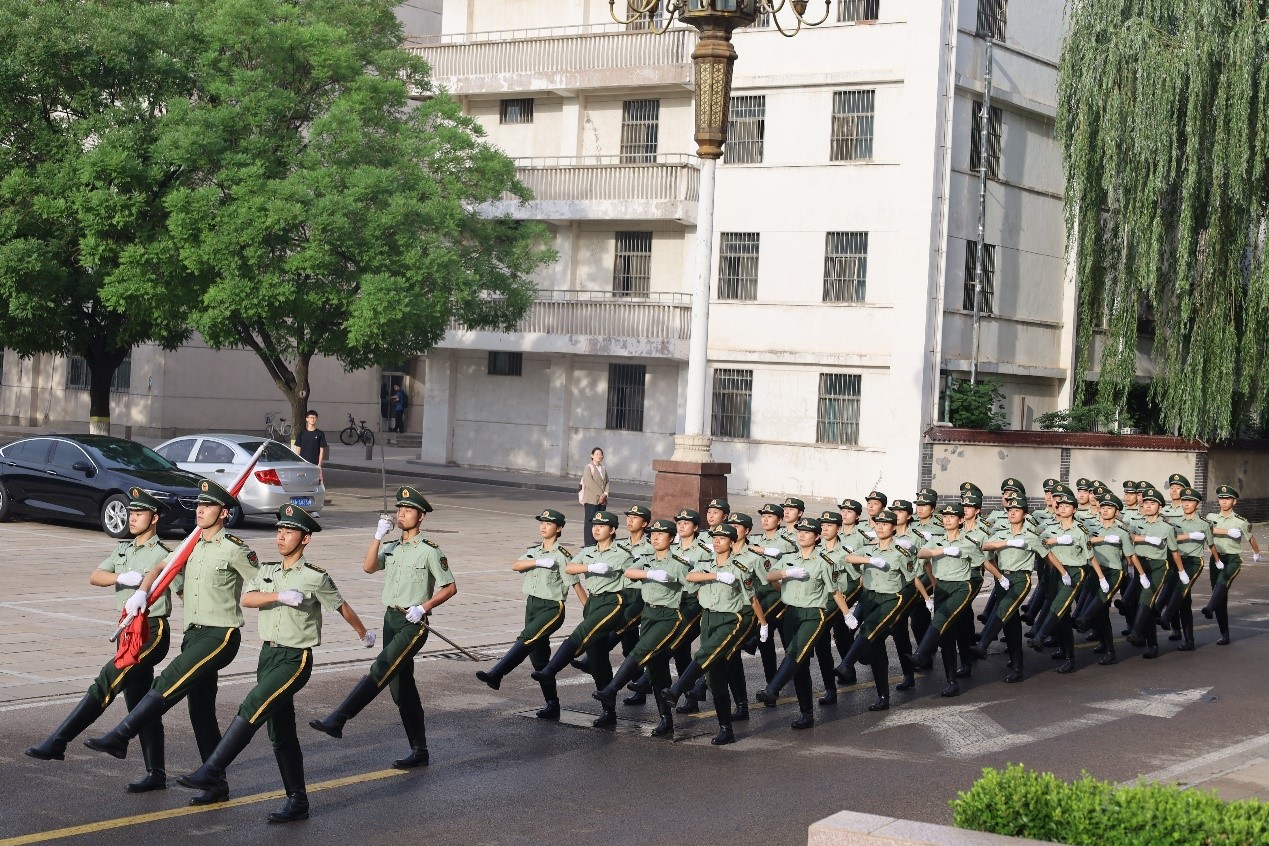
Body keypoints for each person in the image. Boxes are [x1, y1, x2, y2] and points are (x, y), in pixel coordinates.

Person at [176, 505, 373, 824]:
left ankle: (211, 771)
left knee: (253, 703)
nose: (281, 537)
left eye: (289, 532)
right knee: (280, 730)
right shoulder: (268, 571)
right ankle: (298, 800)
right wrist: (279, 596)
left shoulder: (315, 576)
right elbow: (248, 599)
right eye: (279, 530)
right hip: (267, 656)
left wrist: (363, 633)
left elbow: (341, 606)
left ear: (305, 539)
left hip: (295, 659)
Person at [85, 479, 260, 807]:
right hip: (193, 634)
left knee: (169, 680)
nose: (200, 510)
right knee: (200, 710)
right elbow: (161, 568)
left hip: (221, 634)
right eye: (199, 505)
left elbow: (260, 581)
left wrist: (274, 599)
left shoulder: (235, 548)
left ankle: (121, 735)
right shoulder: (189, 545)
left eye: (207, 506)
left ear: (224, 513)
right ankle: (215, 782)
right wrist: (142, 592)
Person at [26, 489, 179, 793]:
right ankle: (156, 773)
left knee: (105, 681)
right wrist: (120, 578)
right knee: (140, 704)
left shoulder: (165, 554)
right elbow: (96, 576)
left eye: (139, 514)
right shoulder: (123, 549)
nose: (132, 518)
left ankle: (58, 742)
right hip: (126, 630)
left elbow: (185, 588)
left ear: (154, 518)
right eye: (131, 513)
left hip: (151, 629)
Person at [309, 486, 457, 769]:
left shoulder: (430, 551)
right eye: (400, 509)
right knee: (401, 689)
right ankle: (420, 751)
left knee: (382, 667)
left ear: (421, 517)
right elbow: (368, 567)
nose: (401, 513)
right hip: (391, 619)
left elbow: (450, 587)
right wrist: (377, 535)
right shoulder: (393, 547)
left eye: (408, 510)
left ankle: (339, 719)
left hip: (413, 622)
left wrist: (423, 607)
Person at [661, 523, 765, 745]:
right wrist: (716, 575)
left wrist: (762, 624)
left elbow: (753, 598)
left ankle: (677, 689)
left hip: (730, 619)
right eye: (714, 538)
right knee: (714, 675)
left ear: (732, 542)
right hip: (708, 618)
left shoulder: (739, 567)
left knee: (706, 653)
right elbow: (690, 577)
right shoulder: (705, 563)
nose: (716, 541)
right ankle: (725, 728)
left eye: (722, 538)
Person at [476, 509, 581, 720]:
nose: (543, 526)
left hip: (552, 608)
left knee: (526, 638)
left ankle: (496, 674)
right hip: (532, 606)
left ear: (559, 528)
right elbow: (516, 565)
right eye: (541, 523)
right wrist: (537, 562)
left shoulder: (562, 556)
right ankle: (552, 704)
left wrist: (590, 612)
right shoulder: (534, 551)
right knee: (539, 660)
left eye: (548, 523)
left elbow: (575, 584)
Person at [530, 511, 632, 727]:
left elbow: (633, 573)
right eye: (594, 525)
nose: (596, 529)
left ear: (613, 530)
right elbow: (570, 567)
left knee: (581, 633)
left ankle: (550, 670)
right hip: (594, 602)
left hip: (612, 601)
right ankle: (609, 711)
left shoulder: (622, 553)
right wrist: (590, 567)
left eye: (601, 526)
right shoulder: (588, 551)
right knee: (597, 657)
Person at [592, 519, 688, 738]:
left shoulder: (679, 562)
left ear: (671, 538)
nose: (655, 537)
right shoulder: (646, 559)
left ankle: (612, 689)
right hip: (649, 614)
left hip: (668, 617)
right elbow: (629, 572)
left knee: (640, 650)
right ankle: (666, 720)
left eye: (661, 534)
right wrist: (650, 574)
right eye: (653, 534)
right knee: (657, 668)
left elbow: (693, 584)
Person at [755, 517, 852, 730]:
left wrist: (847, 614)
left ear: (816, 537)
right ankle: (806, 713)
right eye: (800, 531)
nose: (801, 535)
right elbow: (768, 576)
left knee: (797, 652)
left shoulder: (824, 561)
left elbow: (834, 591)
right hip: (791, 614)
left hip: (813, 614)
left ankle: (773, 689)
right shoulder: (789, 558)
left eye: (807, 532)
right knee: (799, 664)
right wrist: (785, 574)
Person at [1203, 485, 1261, 645]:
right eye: (1221, 498)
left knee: (1224, 579)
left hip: (1233, 558)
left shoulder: (1240, 521)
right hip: (1216, 558)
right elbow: (1207, 530)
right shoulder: (1211, 516)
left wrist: (1257, 552)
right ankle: (1224, 634)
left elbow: (1250, 537)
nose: (1223, 502)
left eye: (1227, 499)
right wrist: (1227, 532)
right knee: (1220, 596)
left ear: (1234, 502)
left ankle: (1209, 608)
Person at [579, 447, 609, 546]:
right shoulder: (589, 468)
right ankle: (589, 544)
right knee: (590, 522)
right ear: (592, 456)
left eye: (600, 454)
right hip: (591, 500)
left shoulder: (603, 468)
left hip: (602, 500)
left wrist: (605, 494)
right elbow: (589, 483)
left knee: (600, 522)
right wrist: (600, 494)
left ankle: (597, 542)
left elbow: (607, 482)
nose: (599, 456)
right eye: (597, 454)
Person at [294, 410, 328, 486]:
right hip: (303, 463)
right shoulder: (301, 433)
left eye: (314, 417)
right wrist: (297, 461)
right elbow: (298, 448)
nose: (312, 419)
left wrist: (319, 463)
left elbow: (322, 450)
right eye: (311, 417)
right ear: (307, 419)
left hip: (314, 463)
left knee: (315, 482)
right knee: (302, 482)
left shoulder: (320, 433)